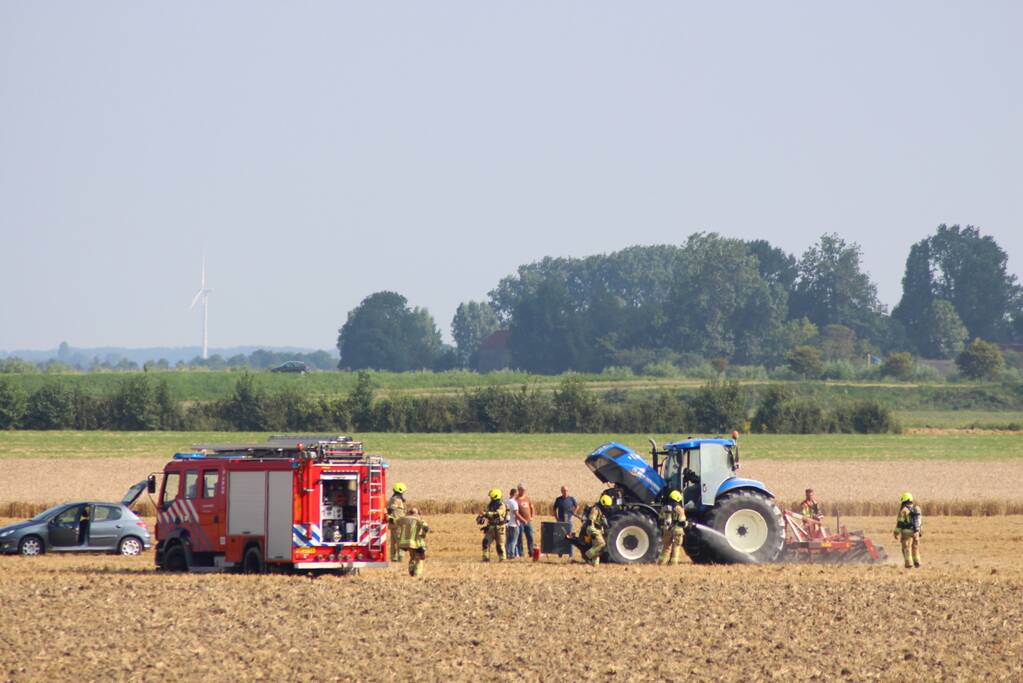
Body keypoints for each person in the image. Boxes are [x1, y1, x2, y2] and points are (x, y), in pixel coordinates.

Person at [396, 507, 429, 577]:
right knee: (419, 559)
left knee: (412, 557)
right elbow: (426, 528)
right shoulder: (418, 520)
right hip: (416, 543)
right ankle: (416, 574)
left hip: (406, 543)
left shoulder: (403, 519)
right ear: (416, 513)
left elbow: (394, 522)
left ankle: (411, 571)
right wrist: (423, 533)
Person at [893, 492, 923, 569]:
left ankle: (909, 564)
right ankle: (917, 563)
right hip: (916, 532)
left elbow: (900, 523)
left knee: (906, 548)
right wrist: (919, 532)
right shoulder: (917, 509)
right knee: (915, 548)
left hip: (907, 533)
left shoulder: (904, 510)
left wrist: (896, 532)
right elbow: (919, 522)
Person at [657, 490, 687, 565]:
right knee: (676, 547)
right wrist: (686, 524)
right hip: (677, 530)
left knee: (666, 547)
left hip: (667, 530)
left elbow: (660, 519)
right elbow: (682, 521)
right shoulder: (679, 508)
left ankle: (661, 563)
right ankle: (673, 564)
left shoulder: (664, 508)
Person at [580, 495, 611, 567]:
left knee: (596, 546)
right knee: (602, 544)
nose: (607, 507)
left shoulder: (600, 510)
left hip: (596, 529)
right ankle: (588, 555)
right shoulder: (596, 510)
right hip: (593, 529)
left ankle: (595, 564)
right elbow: (591, 520)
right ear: (603, 502)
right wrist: (592, 532)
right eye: (606, 506)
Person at [480, 488, 507, 562]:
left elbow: (497, 514)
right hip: (491, 527)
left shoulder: (502, 505)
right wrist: (482, 517)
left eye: (491, 497)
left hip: (499, 528)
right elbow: (486, 513)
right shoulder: (490, 505)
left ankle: (502, 559)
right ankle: (485, 558)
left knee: (500, 545)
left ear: (495, 496)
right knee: (485, 542)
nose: (490, 498)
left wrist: (487, 514)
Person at [552, 486, 578, 558]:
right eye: (563, 490)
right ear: (561, 491)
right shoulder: (558, 499)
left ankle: (570, 554)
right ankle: (560, 554)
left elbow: (576, 506)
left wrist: (573, 514)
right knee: (560, 537)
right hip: (561, 521)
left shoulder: (571, 499)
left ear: (568, 491)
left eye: (566, 490)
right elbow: (554, 509)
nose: (565, 492)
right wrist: (557, 518)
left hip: (569, 521)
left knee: (570, 537)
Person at [387, 483, 407, 563]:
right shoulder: (397, 500)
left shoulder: (393, 498)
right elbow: (391, 509)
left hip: (393, 523)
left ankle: (393, 557)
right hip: (398, 523)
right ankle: (400, 557)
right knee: (400, 540)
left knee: (393, 541)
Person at [515, 482, 535, 558]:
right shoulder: (516, 499)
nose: (523, 491)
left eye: (524, 490)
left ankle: (531, 552)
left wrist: (532, 516)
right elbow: (515, 512)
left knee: (530, 537)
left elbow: (532, 508)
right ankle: (521, 553)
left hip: (528, 522)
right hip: (520, 522)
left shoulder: (527, 498)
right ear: (518, 490)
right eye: (521, 489)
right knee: (520, 538)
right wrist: (522, 519)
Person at [504, 488, 521, 560]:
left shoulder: (505, 501)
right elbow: (516, 514)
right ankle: (511, 554)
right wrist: (523, 520)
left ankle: (506, 554)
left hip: (507, 524)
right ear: (515, 494)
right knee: (513, 540)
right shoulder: (514, 502)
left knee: (508, 540)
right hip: (513, 524)